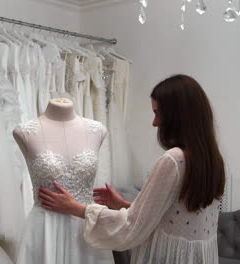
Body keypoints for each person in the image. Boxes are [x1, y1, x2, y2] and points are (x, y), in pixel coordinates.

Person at [38, 74, 226, 264]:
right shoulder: (213, 161)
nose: (155, 123)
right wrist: (125, 205)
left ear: (177, 116)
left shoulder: (173, 161)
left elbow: (131, 228)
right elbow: (175, 217)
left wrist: (76, 208)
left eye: (158, 113)